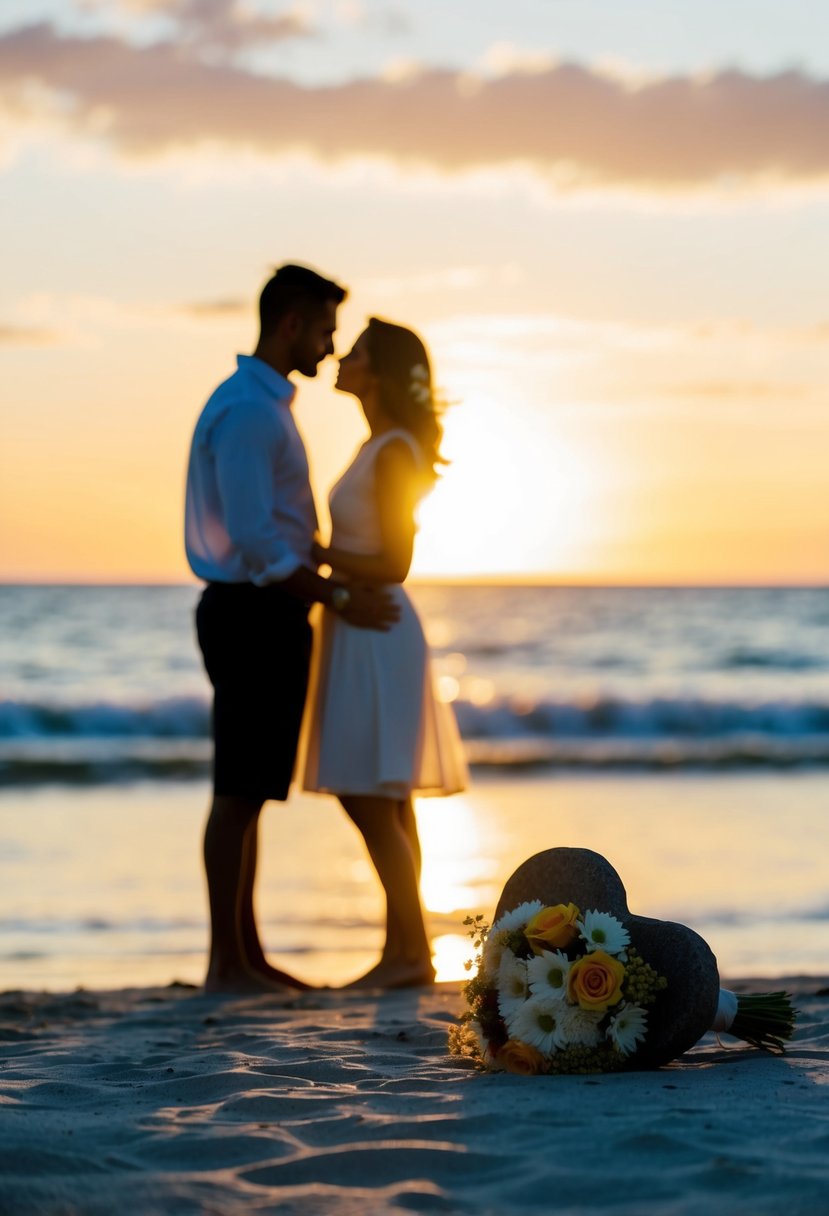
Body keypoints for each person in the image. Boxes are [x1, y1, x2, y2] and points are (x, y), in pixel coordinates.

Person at [184, 265, 400, 994]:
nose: (331, 344)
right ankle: (227, 965)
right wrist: (337, 596)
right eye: (325, 329)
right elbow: (255, 541)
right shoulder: (249, 410)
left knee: (251, 788)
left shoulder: (265, 404)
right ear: (291, 325)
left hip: (265, 609)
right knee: (238, 790)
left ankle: (245, 959)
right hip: (252, 611)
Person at [301, 318, 468, 989]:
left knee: (371, 794)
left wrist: (316, 554)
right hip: (357, 624)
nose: (343, 357)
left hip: (377, 623)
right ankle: (403, 953)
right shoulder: (377, 444)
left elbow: (396, 559)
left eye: (358, 352)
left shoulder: (395, 449)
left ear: (381, 373)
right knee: (386, 798)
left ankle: (409, 953)